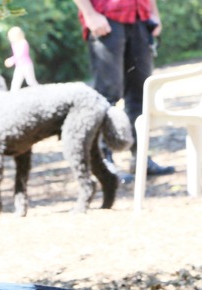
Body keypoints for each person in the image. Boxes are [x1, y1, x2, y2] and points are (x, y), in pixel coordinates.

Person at [72, 0, 174, 178]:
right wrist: (89, 14)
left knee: (140, 93)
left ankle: (140, 159)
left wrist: (154, 13)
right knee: (106, 95)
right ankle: (103, 162)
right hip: (105, 20)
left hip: (140, 19)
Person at [4, 26, 39, 91]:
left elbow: (20, 54)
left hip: (26, 65)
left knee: (30, 81)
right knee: (16, 82)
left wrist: (11, 60)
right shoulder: (14, 44)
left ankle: (39, 91)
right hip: (19, 66)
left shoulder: (23, 43)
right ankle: (12, 95)